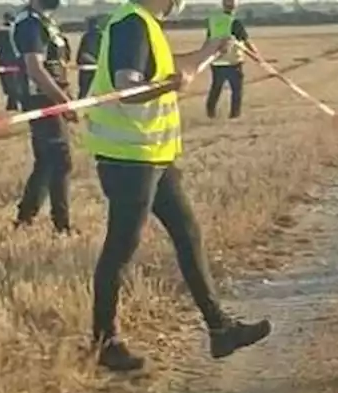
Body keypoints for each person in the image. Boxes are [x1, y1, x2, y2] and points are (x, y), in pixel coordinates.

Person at [83, 0, 272, 373]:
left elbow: (173, 69)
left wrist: (212, 48)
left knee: (189, 235)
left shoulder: (146, 23)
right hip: (129, 158)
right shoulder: (131, 25)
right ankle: (106, 342)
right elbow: (127, 88)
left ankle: (220, 329)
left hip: (154, 156)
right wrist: (169, 85)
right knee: (121, 247)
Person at [12, 0, 74, 234]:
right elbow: (35, 69)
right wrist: (63, 101)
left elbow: (56, 64)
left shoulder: (45, 22)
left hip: (51, 97)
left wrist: (66, 95)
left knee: (48, 161)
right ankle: (62, 225)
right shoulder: (29, 24)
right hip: (40, 99)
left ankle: (25, 217)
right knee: (60, 160)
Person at [205, 0, 258, 120]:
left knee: (216, 88)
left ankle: (210, 112)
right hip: (233, 61)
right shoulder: (234, 22)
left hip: (216, 61)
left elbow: (208, 40)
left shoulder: (214, 21)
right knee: (236, 90)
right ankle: (234, 115)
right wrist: (257, 55)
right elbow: (246, 41)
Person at [75, 15, 103, 99]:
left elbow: (83, 54)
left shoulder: (89, 36)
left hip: (88, 69)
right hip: (98, 67)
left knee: (84, 93)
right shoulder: (102, 35)